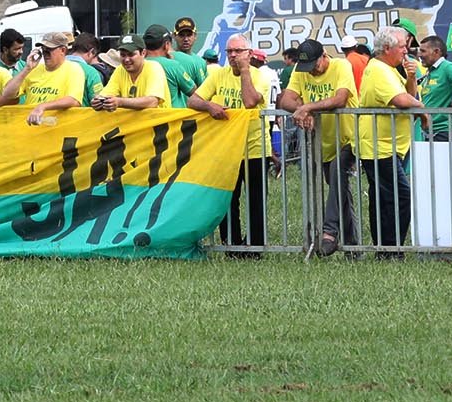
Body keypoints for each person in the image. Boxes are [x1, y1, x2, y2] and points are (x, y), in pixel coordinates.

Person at [188, 36, 270, 251]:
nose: (233, 55)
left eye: (238, 51)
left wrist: (244, 71)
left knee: (256, 200)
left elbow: (250, 101)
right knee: (227, 199)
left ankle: (254, 246)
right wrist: (209, 106)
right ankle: (231, 245)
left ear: (249, 54)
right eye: (229, 51)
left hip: (255, 148)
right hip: (227, 149)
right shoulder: (219, 75)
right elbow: (192, 100)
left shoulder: (259, 76)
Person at [279, 40, 356, 257]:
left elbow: (341, 98)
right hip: (321, 142)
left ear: (324, 56)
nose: (312, 70)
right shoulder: (300, 70)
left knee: (336, 175)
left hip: (347, 137)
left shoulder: (342, 66)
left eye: (314, 64)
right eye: (307, 66)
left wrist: (307, 107)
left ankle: (329, 232)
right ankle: (353, 246)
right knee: (340, 193)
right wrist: (304, 110)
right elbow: (286, 100)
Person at [352, 28, 422, 254]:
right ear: (388, 48)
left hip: (391, 146)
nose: (406, 51)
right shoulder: (380, 70)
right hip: (379, 146)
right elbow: (403, 101)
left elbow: (410, 95)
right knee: (399, 195)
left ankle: (387, 247)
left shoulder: (391, 69)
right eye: (402, 47)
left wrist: (411, 77)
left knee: (383, 196)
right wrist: (423, 111)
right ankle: (392, 248)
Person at [0, 32, 86, 126]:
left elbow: (73, 100)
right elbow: (8, 94)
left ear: (63, 50)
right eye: (43, 50)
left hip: (56, 129)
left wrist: (42, 107)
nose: (45, 54)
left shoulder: (73, 69)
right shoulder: (34, 70)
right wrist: (27, 69)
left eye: (49, 51)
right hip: (30, 130)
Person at [92, 37, 165, 111]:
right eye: (123, 55)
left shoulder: (153, 67)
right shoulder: (120, 69)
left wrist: (120, 102)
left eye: (131, 55)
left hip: (159, 121)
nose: (126, 59)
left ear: (143, 53)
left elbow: (152, 102)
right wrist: (98, 101)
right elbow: (105, 94)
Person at [147, 28, 200, 109]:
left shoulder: (138, 65)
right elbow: (194, 92)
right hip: (172, 117)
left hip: (143, 118)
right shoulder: (173, 65)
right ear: (166, 44)